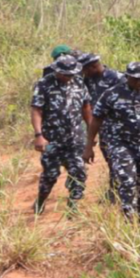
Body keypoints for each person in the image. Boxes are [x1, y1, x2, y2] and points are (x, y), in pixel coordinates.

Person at [85, 62, 140, 220]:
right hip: (120, 145)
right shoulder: (112, 94)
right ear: (127, 77)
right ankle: (129, 219)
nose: (139, 82)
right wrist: (89, 145)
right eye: (135, 79)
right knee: (127, 180)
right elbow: (96, 119)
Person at [30, 54, 92, 214]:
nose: (68, 77)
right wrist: (38, 135)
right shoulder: (44, 84)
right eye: (65, 74)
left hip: (75, 138)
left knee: (78, 171)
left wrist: (91, 132)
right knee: (50, 175)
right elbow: (36, 110)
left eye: (71, 74)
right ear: (57, 71)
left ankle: (73, 205)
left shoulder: (79, 82)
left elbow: (86, 107)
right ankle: (40, 201)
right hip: (52, 140)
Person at [79, 52, 124, 202]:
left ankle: (118, 193)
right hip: (102, 127)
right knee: (111, 160)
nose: (83, 73)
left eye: (84, 70)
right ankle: (115, 191)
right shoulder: (88, 80)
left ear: (92, 67)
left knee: (120, 160)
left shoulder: (117, 78)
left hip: (121, 128)